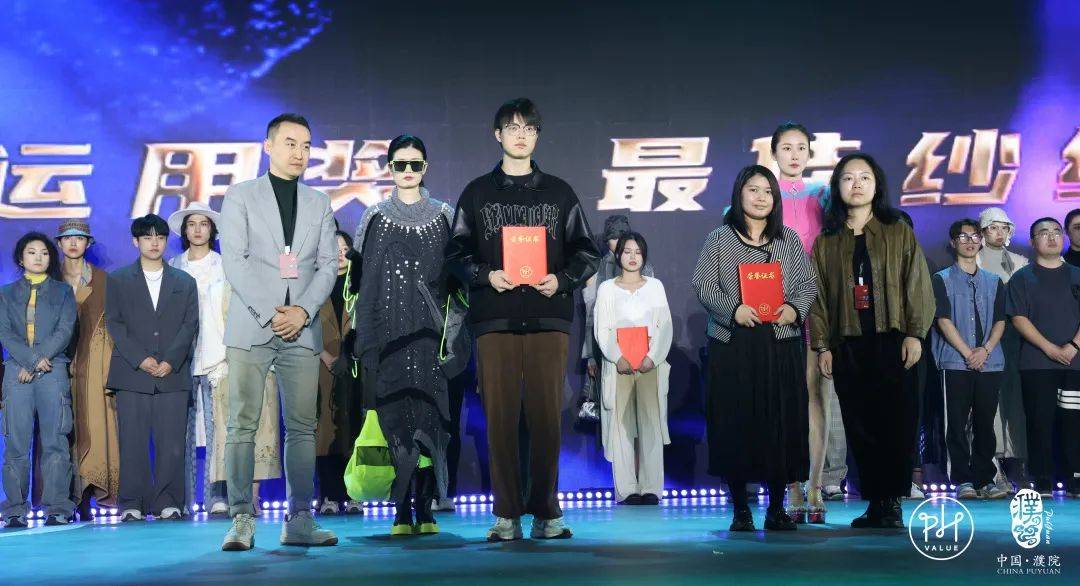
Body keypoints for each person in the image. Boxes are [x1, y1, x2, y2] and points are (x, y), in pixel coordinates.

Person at [445, 98, 600, 541]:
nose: (520, 135)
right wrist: (485, 275)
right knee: (500, 420)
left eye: (528, 128)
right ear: (497, 135)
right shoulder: (477, 193)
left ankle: (547, 512)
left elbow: (587, 251)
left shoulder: (560, 193)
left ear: (537, 136)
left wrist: (562, 279)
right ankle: (506, 514)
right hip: (495, 320)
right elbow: (456, 253)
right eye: (512, 127)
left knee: (547, 419)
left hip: (549, 318)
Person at [219, 113, 338, 551]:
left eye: (306, 145)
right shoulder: (240, 195)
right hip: (253, 324)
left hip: (302, 328)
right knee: (242, 425)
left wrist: (303, 312)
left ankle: (300, 518)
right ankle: (241, 518)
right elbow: (235, 261)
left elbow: (328, 264)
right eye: (290, 143)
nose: (299, 153)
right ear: (268, 146)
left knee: (303, 427)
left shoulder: (319, 202)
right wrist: (273, 315)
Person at [810, 153, 933, 529]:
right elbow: (818, 296)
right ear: (838, 187)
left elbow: (917, 282)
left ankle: (892, 501)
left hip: (892, 340)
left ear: (877, 185)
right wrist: (822, 345)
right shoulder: (827, 241)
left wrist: (914, 333)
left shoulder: (897, 230)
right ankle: (875, 502)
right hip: (848, 342)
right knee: (859, 424)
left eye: (864, 177)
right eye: (848, 178)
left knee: (895, 422)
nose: (857, 184)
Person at [693, 165, 817, 531]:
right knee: (736, 423)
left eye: (768, 191)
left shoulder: (788, 240)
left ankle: (777, 507)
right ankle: (740, 509)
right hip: (734, 344)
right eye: (753, 189)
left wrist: (793, 308)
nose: (761, 197)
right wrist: (733, 309)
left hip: (779, 343)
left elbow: (808, 284)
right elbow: (703, 284)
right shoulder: (719, 238)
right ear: (739, 194)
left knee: (780, 424)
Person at [352, 135, 454, 535]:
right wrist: (365, 341)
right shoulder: (374, 218)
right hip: (388, 340)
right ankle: (400, 511)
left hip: (432, 339)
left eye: (415, 164)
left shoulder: (445, 216)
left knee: (430, 420)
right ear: (389, 168)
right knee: (396, 422)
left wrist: (454, 339)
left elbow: (456, 286)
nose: (408, 171)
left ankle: (425, 508)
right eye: (400, 164)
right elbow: (363, 286)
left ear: (425, 168)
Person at [167, 202, 281, 517]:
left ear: (213, 230)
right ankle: (184, 499)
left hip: (219, 354)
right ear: (184, 230)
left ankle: (218, 495)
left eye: (204, 224)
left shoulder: (225, 265)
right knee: (185, 430)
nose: (198, 230)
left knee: (220, 426)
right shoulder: (174, 266)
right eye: (192, 224)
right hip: (181, 356)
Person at [768, 122, 843, 524]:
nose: (794, 155)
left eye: (801, 148)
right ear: (774, 153)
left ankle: (815, 485)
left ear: (810, 154)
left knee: (817, 396)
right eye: (786, 147)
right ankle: (791, 486)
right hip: (775, 304)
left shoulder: (824, 195)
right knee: (785, 399)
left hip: (818, 301)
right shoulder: (763, 193)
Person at [104, 215, 198, 522]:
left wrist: (171, 360)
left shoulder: (184, 281)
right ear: (136, 241)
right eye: (147, 237)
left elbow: (189, 325)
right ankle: (132, 501)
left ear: (167, 241)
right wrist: (140, 358)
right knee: (132, 441)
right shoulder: (118, 279)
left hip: (173, 372)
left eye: (160, 237)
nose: (154, 243)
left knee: (172, 442)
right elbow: (115, 324)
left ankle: (168, 501)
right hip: (132, 373)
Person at [0, 233, 77, 527]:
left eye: (44, 253)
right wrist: (30, 361)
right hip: (16, 372)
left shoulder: (63, 292)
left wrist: (38, 360)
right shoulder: (6, 293)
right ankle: (14, 509)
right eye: (31, 252)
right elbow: (5, 333)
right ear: (21, 258)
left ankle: (58, 507)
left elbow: (65, 330)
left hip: (53, 370)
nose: (38, 257)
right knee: (16, 443)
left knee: (56, 440)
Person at [930, 219, 1010, 499]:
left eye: (975, 236)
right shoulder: (941, 279)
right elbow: (943, 320)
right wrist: (968, 353)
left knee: (985, 423)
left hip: (990, 362)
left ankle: (985, 479)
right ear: (953, 243)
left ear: (981, 241)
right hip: (954, 362)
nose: (970, 241)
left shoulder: (994, 281)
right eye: (963, 237)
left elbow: (1000, 321)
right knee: (956, 423)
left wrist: (985, 350)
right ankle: (962, 480)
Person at [594, 232, 671, 505]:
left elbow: (664, 326)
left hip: (650, 365)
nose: (632, 257)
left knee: (651, 424)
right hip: (620, 366)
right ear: (618, 255)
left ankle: (651, 488)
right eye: (627, 251)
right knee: (622, 426)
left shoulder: (655, 287)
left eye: (638, 252)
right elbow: (602, 328)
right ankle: (627, 489)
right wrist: (617, 356)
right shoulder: (606, 289)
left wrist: (653, 356)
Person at [1006, 217, 1080, 496]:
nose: (1051, 237)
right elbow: (1018, 318)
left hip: (1075, 363)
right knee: (1040, 421)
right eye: (1044, 233)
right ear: (1032, 241)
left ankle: (1075, 477)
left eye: (1056, 232)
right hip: (1036, 363)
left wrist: (1073, 346)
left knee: (1074, 422)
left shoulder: (1077, 274)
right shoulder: (1022, 278)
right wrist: (1050, 349)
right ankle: (1043, 478)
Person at [56, 219, 119, 520]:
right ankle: (65, 497)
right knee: (62, 430)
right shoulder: (49, 279)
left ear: (88, 243)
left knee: (95, 425)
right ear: (59, 244)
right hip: (55, 365)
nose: (73, 243)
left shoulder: (104, 281)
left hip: (94, 365)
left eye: (79, 238)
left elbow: (113, 328)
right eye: (67, 238)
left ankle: (92, 492)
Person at [580, 215, 654, 422]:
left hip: (638, 344)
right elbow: (592, 314)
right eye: (613, 238)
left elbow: (653, 312)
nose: (618, 243)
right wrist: (590, 355)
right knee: (610, 406)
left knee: (638, 408)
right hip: (606, 345)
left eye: (621, 237)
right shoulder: (597, 268)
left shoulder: (644, 266)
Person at [977, 207, 1029, 494]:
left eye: (1004, 227)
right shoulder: (973, 260)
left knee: (1016, 403)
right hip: (984, 339)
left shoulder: (1020, 262)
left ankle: (1017, 465)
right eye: (993, 227)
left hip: (1016, 340)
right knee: (989, 404)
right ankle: (992, 467)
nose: (999, 233)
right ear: (983, 231)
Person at [315, 230, 363, 516]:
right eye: (334, 249)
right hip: (321, 368)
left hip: (354, 367)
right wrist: (324, 355)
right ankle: (329, 496)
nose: (340, 254)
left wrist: (350, 354)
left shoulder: (360, 285)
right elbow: (306, 326)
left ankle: (355, 495)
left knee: (352, 429)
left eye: (345, 249)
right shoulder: (315, 285)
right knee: (324, 433)